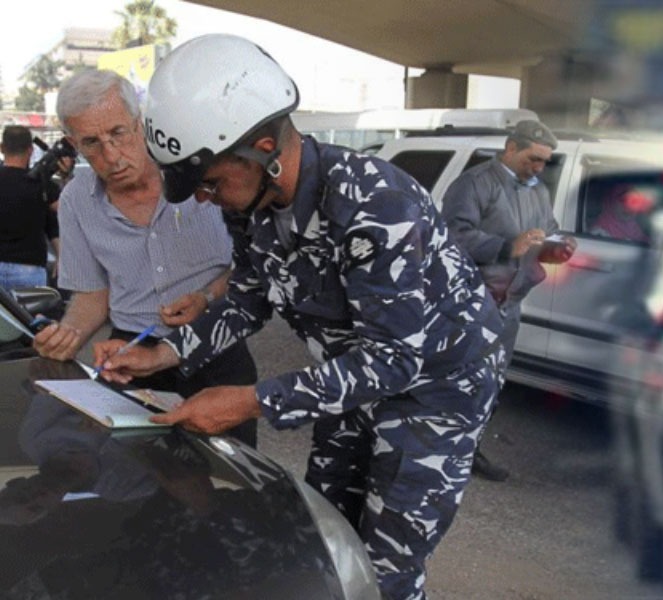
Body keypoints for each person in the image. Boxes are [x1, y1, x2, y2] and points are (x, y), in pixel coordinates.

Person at [94, 34, 505, 600]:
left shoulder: (375, 204)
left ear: (264, 148)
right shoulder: (256, 204)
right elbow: (248, 296)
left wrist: (250, 400)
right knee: (321, 541)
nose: (206, 198)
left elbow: (394, 360)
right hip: (352, 380)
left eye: (211, 182)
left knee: (382, 572)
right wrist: (162, 353)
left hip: (433, 393)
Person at [30, 69, 259, 446]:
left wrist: (206, 296)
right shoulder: (76, 200)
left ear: (141, 122)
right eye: (92, 143)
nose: (111, 156)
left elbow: (254, 270)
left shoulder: (201, 176)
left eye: (118, 133)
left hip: (216, 346)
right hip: (131, 357)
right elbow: (92, 295)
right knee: (139, 473)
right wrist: (67, 335)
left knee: (229, 470)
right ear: (73, 144)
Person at [441, 119, 576, 481]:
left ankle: (470, 450)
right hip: (473, 301)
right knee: (461, 379)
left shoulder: (537, 191)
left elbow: (547, 230)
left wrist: (558, 246)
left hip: (509, 304)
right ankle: (443, 450)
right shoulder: (474, 183)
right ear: (511, 148)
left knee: (492, 382)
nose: (539, 167)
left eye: (545, 161)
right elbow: (451, 237)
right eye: (533, 159)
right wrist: (505, 247)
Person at [0, 126, 61, 290]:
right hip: (29, 268)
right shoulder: (41, 184)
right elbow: (63, 215)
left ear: (2, 148)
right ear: (31, 150)